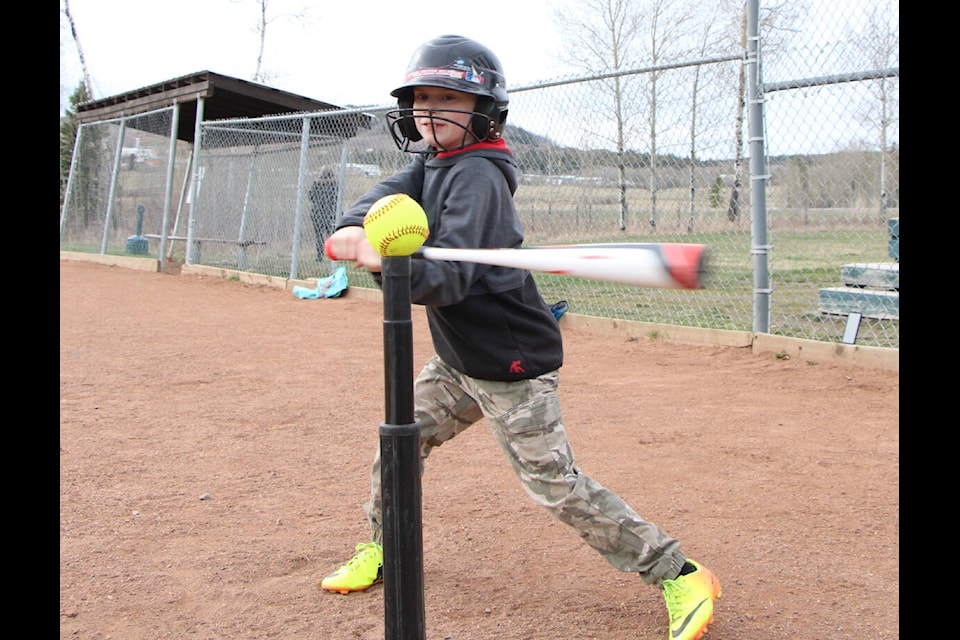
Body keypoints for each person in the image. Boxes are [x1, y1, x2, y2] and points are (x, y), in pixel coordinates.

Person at [320, 35, 721, 640]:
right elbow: (381, 195)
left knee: (555, 486)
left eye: (449, 99)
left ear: (483, 109)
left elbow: (447, 280)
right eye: (422, 98)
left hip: (510, 363)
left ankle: (678, 571)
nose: (431, 112)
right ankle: (385, 547)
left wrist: (381, 261)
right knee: (398, 445)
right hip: (459, 360)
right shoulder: (432, 162)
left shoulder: (478, 176)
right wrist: (356, 228)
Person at [308, 167, 340, 261]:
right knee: (332, 234)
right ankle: (333, 254)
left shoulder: (317, 184)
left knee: (319, 235)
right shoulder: (335, 184)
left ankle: (319, 256)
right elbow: (337, 198)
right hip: (332, 212)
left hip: (318, 212)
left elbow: (311, 197)